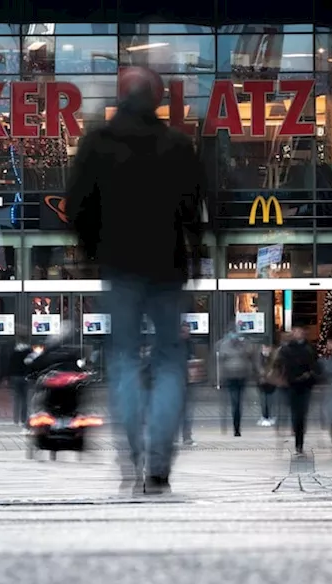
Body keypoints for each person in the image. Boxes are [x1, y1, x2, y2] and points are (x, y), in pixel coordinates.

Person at [68, 65, 207, 495]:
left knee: (124, 358)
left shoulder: (97, 143)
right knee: (169, 362)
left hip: (120, 264)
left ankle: (132, 454)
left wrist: (94, 250)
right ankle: (160, 461)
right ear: (157, 99)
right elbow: (196, 207)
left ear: (120, 96)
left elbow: (77, 208)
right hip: (167, 265)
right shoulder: (177, 145)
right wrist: (195, 251)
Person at [277, 325, 318, 456]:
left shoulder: (309, 348)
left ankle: (299, 441)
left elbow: (315, 365)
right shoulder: (287, 349)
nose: (298, 333)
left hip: (305, 385)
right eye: (295, 331)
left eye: (300, 331)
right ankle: (297, 437)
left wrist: (310, 374)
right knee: (296, 413)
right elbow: (281, 365)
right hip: (292, 385)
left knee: (302, 413)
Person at [218, 332, 256, 437]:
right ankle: (236, 428)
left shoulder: (243, 345)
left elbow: (250, 357)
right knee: (235, 403)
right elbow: (220, 361)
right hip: (230, 377)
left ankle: (237, 426)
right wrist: (220, 377)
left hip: (241, 377)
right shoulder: (224, 345)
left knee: (238, 403)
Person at [4, 327, 32, 429]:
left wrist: (7, 377)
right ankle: (23, 419)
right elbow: (31, 365)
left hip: (15, 377)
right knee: (25, 399)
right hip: (25, 377)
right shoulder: (29, 351)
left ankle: (15, 420)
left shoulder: (14, 351)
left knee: (16, 398)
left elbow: (10, 365)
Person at [257, 337, 284, 428]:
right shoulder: (260, 356)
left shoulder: (274, 357)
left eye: (268, 347)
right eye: (264, 347)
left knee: (271, 400)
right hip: (262, 382)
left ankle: (270, 416)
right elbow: (257, 367)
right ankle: (265, 416)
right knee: (263, 400)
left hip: (271, 382)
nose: (266, 349)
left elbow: (278, 367)